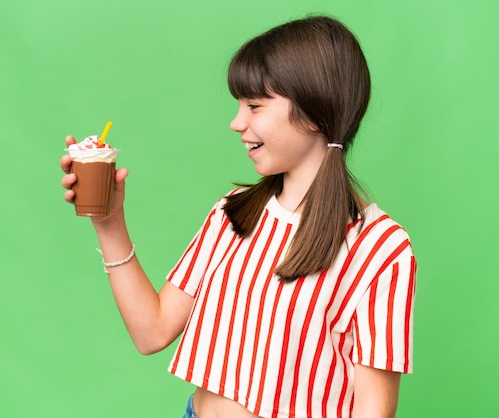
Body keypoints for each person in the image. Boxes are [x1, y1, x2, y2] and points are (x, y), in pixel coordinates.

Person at [60, 15, 416, 418]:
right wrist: (109, 223)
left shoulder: (380, 248)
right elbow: (152, 331)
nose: (236, 122)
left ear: (314, 113)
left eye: (254, 106)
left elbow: (374, 409)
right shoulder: (234, 212)